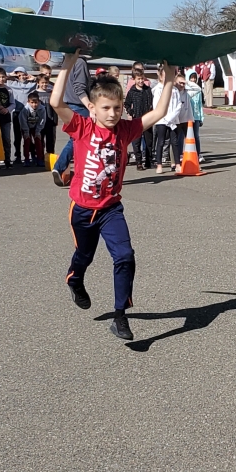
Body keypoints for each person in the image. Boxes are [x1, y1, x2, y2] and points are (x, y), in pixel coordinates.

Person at [51, 49, 176, 341]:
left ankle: (120, 316)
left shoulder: (125, 130)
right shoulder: (81, 127)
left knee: (125, 257)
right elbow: (56, 102)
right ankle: (75, 279)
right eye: (105, 108)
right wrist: (68, 65)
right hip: (82, 210)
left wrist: (168, 80)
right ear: (92, 108)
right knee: (85, 255)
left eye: (117, 108)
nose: (112, 114)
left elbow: (158, 113)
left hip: (110, 209)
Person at [51, 56, 93, 187]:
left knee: (76, 139)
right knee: (80, 139)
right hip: (79, 105)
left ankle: (65, 168)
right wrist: (89, 105)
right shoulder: (79, 62)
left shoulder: (68, 60)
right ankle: (60, 166)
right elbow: (79, 87)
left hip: (67, 103)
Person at [152, 69, 191, 174]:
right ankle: (159, 164)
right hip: (161, 120)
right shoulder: (158, 89)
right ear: (160, 76)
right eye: (165, 75)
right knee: (161, 142)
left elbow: (178, 105)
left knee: (175, 142)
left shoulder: (175, 90)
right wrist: (165, 118)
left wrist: (171, 118)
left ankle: (177, 164)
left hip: (173, 120)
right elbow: (157, 105)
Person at [123, 67, 154, 170]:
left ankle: (149, 161)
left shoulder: (147, 90)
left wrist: (151, 112)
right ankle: (139, 162)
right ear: (134, 79)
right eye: (138, 79)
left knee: (149, 141)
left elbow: (152, 103)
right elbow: (127, 103)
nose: (140, 81)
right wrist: (131, 112)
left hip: (147, 119)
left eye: (142, 79)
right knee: (136, 142)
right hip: (136, 120)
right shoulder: (132, 91)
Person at [6, 66, 36, 165]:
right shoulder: (12, 84)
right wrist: (11, 74)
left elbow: (42, 82)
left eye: (24, 75)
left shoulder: (31, 84)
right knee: (17, 136)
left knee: (29, 135)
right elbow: (0, 78)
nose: (22, 77)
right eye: (19, 75)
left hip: (28, 112)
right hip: (17, 112)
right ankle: (17, 155)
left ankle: (32, 155)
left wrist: (34, 78)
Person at [0, 69, 14, 168]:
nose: (1, 79)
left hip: (6, 118)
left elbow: (13, 104)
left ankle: (7, 160)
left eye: (3, 77)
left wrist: (7, 109)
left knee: (6, 139)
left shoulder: (9, 89)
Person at [21, 91, 48, 166]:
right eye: (32, 102)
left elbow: (42, 120)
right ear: (28, 102)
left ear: (39, 102)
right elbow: (23, 121)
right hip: (26, 127)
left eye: (36, 102)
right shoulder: (25, 110)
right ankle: (26, 159)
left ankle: (39, 159)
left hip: (36, 127)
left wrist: (38, 131)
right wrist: (26, 132)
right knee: (27, 141)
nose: (34, 104)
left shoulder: (42, 109)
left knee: (38, 141)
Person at [186, 72, 205, 162]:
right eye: (191, 78)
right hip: (187, 117)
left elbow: (200, 105)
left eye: (194, 78)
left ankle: (198, 154)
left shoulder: (198, 91)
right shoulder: (186, 90)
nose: (193, 80)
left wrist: (201, 118)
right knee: (187, 136)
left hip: (196, 116)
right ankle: (185, 153)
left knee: (196, 136)